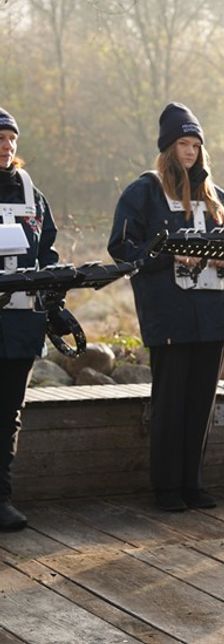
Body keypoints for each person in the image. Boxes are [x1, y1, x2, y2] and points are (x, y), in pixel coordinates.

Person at [108, 102, 224, 513]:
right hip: (170, 315)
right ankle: (166, 487)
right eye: (183, 143)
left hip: (213, 315)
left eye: (196, 144)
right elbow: (122, 249)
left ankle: (192, 483)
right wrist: (169, 256)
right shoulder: (143, 191)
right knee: (170, 402)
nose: (190, 151)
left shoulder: (218, 197)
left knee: (202, 403)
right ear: (168, 147)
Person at [0, 107, 61, 531]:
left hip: (20, 322)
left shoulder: (30, 193)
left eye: (11, 140)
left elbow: (48, 253)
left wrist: (54, 301)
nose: (6, 146)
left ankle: (1, 498)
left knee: (8, 413)